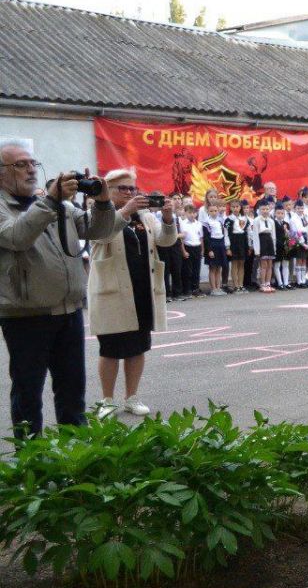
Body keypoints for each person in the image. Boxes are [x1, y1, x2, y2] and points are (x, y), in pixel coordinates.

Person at [0, 139, 119, 437]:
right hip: (26, 316)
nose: (31, 170)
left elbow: (98, 230)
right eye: (21, 164)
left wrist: (102, 203)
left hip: (69, 312)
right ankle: (31, 457)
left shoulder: (57, 205)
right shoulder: (19, 207)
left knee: (72, 394)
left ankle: (75, 454)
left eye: (33, 163)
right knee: (28, 395)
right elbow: (17, 236)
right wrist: (51, 201)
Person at [88, 169, 176, 418]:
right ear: (109, 190)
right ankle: (107, 400)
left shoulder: (145, 216)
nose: (129, 192)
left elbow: (165, 241)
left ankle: (132, 397)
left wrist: (168, 218)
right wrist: (125, 211)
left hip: (142, 289)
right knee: (110, 349)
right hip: (112, 292)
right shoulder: (98, 213)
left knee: (138, 346)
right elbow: (102, 235)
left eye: (132, 188)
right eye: (123, 188)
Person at [198, 189, 229, 296]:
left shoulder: (220, 221)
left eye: (216, 211)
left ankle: (218, 287)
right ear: (208, 212)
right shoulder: (206, 223)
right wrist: (209, 250)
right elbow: (206, 238)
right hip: (212, 245)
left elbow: (223, 234)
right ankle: (213, 288)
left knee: (219, 267)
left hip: (220, 245)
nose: (214, 212)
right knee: (212, 267)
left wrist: (225, 246)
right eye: (211, 211)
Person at [157, 195, 186, 302]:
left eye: (178, 199)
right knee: (165, 270)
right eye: (174, 199)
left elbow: (183, 234)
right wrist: (175, 235)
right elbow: (160, 231)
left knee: (177, 269)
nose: (175, 202)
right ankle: (166, 294)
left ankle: (177, 293)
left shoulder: (177, 217)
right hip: (164, 245)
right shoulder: (158, 214)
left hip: (175, 245)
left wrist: (182, 248)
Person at [249, 201, 276, 293]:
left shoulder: (271, 221)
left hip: (269, 241)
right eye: (263, 209)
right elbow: (255, 236)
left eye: (267, 209)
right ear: (259, 210)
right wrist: (257, 250)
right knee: (263, 265)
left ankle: (268, 283)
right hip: (262, 241)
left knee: (270, 264)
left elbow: (273, 235)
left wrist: (274, 248)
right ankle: (263, 284)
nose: (265, 211)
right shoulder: (256, 220)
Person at [225, 199, 251, 293]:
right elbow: (226, 234)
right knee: (235, 264)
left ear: (240, 207)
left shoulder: (245, 219)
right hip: (233, 242)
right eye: (233, 207)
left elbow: (249, 233)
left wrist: (249, 246)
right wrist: (228, 247)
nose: (235, 209)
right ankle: (235, 285)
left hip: (243, 242)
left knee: (241, 263)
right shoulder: (228, 220)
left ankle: (241, 285)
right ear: (230, 208)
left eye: (237, 207)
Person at [179, 204, 203, 296]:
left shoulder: (198, 224)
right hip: (188, 247)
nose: (192, 215)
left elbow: (201, 238)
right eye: (189, 213)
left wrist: (202, 250)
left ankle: (195, 288)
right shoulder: (183, 223)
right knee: (188, 270)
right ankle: (187, 289)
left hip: (197, 247)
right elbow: (181, 239)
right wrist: (183, 251)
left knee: (197, 269)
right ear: (185, 213)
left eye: (194, 213)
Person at [272, 203, 291, 289]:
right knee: (277, 265)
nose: (280, 215)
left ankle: (286, 283)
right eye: (278, 213)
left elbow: (288, 235)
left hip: (285, 246)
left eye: (282, 213)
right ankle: (280, 283)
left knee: (285, 265)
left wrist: (286, 231)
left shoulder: (286, 223)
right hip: (277, 246)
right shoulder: (273, 223)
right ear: (275, 213)